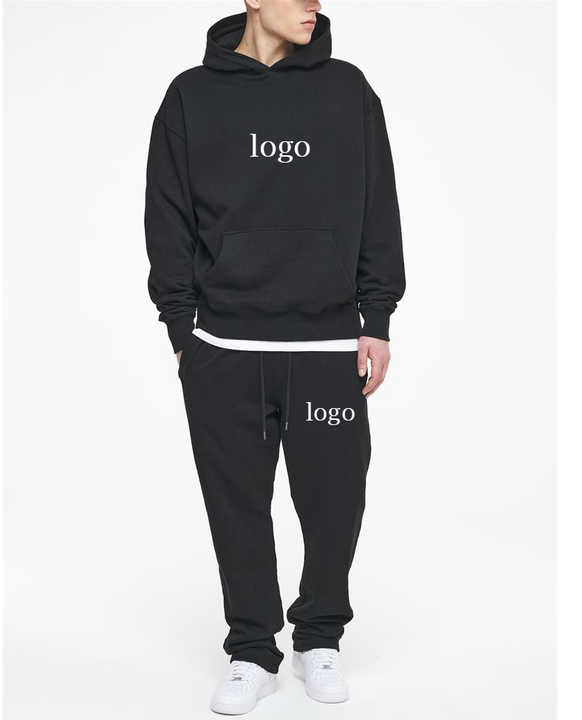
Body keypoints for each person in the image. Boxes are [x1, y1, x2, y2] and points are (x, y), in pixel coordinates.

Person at [145, 0, 405, 714]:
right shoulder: (191, 96)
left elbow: (378, 204)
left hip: (326, 345)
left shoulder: (347, 89)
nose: (316, 5)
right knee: (236, 507)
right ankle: (252, 649)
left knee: (333, 501)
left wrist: (377, 317)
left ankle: (319, 636)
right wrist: (181, 328)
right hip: (225, 347)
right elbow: (167, 215)